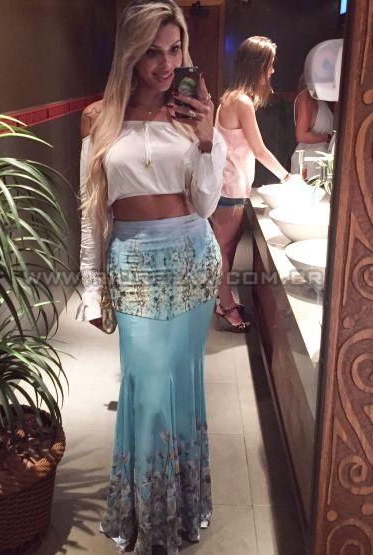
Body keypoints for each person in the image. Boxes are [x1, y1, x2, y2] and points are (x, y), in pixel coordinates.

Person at [77, 1, 227, 553]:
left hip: (192, 258)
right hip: (134, 261)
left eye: (175, 49)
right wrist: (91, 287)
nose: (166, 64)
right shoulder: (99, 117)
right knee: (148, 391)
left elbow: (206, 204)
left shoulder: (193, 115)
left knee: (180, 382)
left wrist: (208, 138)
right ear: (130, 54)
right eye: (153, 52)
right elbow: (92, 210)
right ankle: (150, 517)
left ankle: (182, 509)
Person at [211, 36, 301, 332]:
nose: (273, 70)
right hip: (229, 187)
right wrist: (287, 178)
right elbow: (259, 149)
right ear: (257, 65)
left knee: (226, 248)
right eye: (270, 64)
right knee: (224, 250)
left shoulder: (232, 97)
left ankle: (223, 300)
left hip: (229, 185)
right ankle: (226, 307)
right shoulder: (242, 102)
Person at [290, 80, 334, 179]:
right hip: (309, 163)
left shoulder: (320, 98)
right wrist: (329, 137)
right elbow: (301, 136)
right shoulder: (307, 97)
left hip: (319, 164)